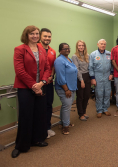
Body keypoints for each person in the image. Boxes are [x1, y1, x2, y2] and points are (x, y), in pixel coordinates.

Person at [12, 25, 51, 158]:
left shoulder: (41, 49)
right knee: (25, 116)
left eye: (36, 33)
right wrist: (34, 86)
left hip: (40, 86)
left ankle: (36, 140)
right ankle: (21, 145)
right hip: (25, 88)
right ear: (26, 35)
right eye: (31, 34)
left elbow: (47, 68)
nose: (35, 36)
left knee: (39, 115)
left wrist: (42, 83)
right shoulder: (20, 49)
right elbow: (20, 71)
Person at [54, 43, 78, 135]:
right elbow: (60, 77)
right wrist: (66, 89)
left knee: (65, 106)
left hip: (71, 87)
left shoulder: (69, 59)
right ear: (60, 50)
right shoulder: (59, 60)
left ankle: (62, 122)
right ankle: (65, 126)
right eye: (65, 48)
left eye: (68, 48)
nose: (67, 50)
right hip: (64, 88)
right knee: (67, 107)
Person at [37, 28, 56, 139]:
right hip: (38, 84)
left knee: (49, 105)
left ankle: (47, 127)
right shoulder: (35, 48)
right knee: (40, 107)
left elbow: (52, 66)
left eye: (49, 36)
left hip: (49, 83)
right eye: (45, 36)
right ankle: (40, 129)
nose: (47, 38)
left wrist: (51, 76)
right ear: (40, 37)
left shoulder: (52, 51)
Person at [89, 39, 113, 118]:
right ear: (98, 44)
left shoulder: (109, 53)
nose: (103, 45)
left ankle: (105, 109)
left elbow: (112, 65)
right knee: (99, 94)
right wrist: (92, 78)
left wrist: (111, 74)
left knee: (107, 93)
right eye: (101, 44)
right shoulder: (93, 54)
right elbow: (91, 67)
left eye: (104, 44)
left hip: (107, 76)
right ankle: (99, 110)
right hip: (97, 76)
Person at [72, 40, 91, 121]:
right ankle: (80, 114)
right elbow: (77, 69)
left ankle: (84, 111)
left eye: (82, 45)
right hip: (80, 77)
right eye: (79, 45)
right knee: (80, 97)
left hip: (88, 76)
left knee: (86, 96)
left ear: (84, 46)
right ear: (77, 47)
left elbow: (90, 67)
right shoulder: (74, 56)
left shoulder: (87, 55)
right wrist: (81, 80)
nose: (81, 47)